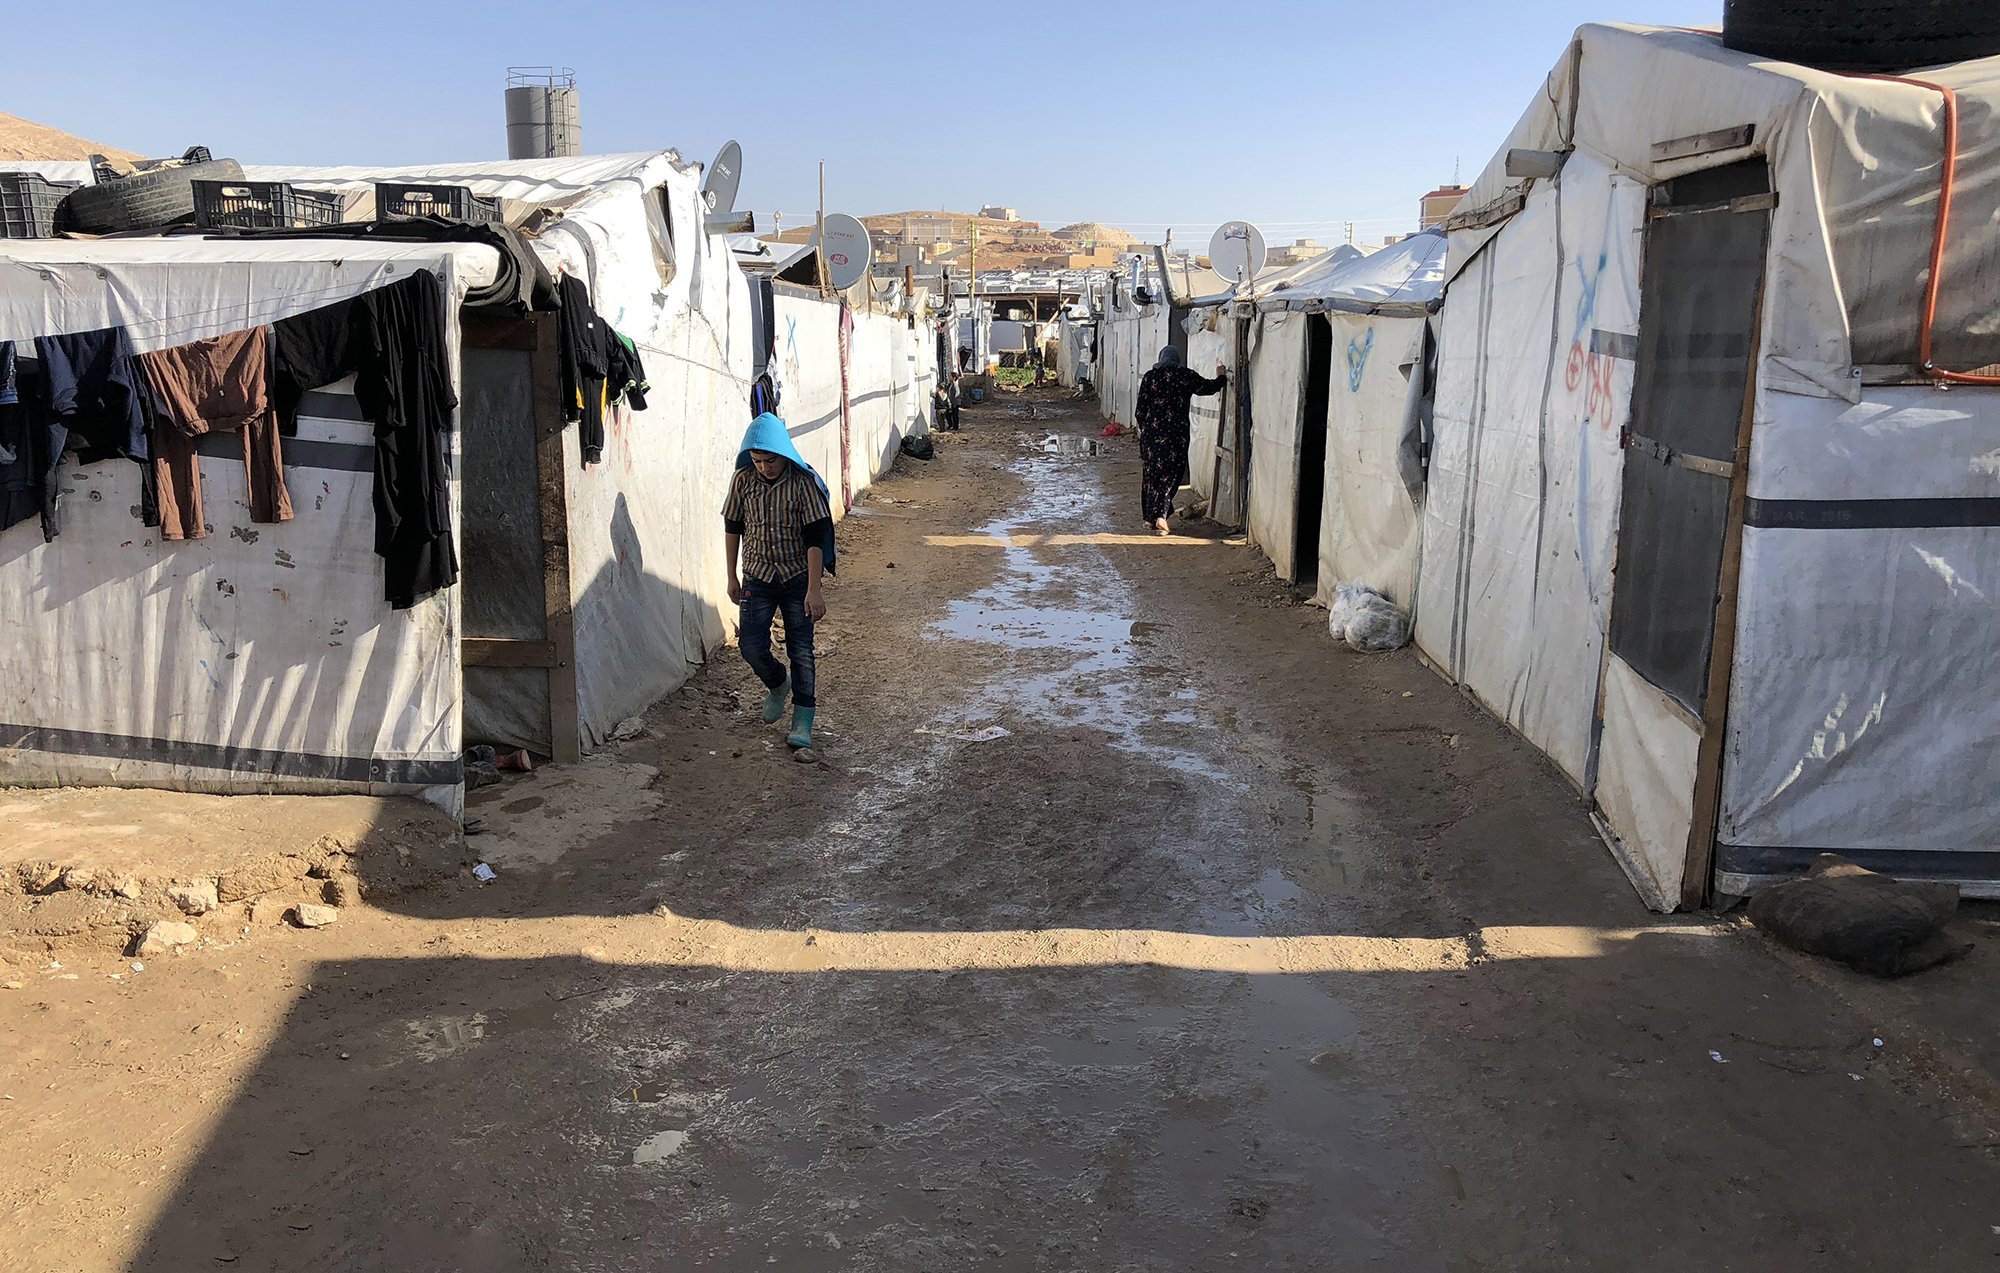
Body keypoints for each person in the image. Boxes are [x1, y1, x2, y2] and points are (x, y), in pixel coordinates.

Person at [724, 412, 836, 749]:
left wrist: (814, 589)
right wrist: (731, 575)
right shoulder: (743, 481)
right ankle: (777, 683)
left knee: (801, 650)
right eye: (757, 460)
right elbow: (733, 527)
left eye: (770, 460)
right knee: (751, 646)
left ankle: (803, 719)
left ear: (783, 454)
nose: (764, 467)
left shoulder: (803, 484)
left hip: (796, 577)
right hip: (756, 576)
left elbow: (816, 536)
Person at [1135, 346, 1226, 535]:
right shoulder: (1184, 375)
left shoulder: (1150, 377)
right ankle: (1160, 516)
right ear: (1176, 359)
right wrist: (1221, 377)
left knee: (1152, 476)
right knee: (1171, 474)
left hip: (1152, 436)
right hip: (1175, 436)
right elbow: (1208, 388)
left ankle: (1151, 517)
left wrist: (1147, 430)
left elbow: (1140, 411)